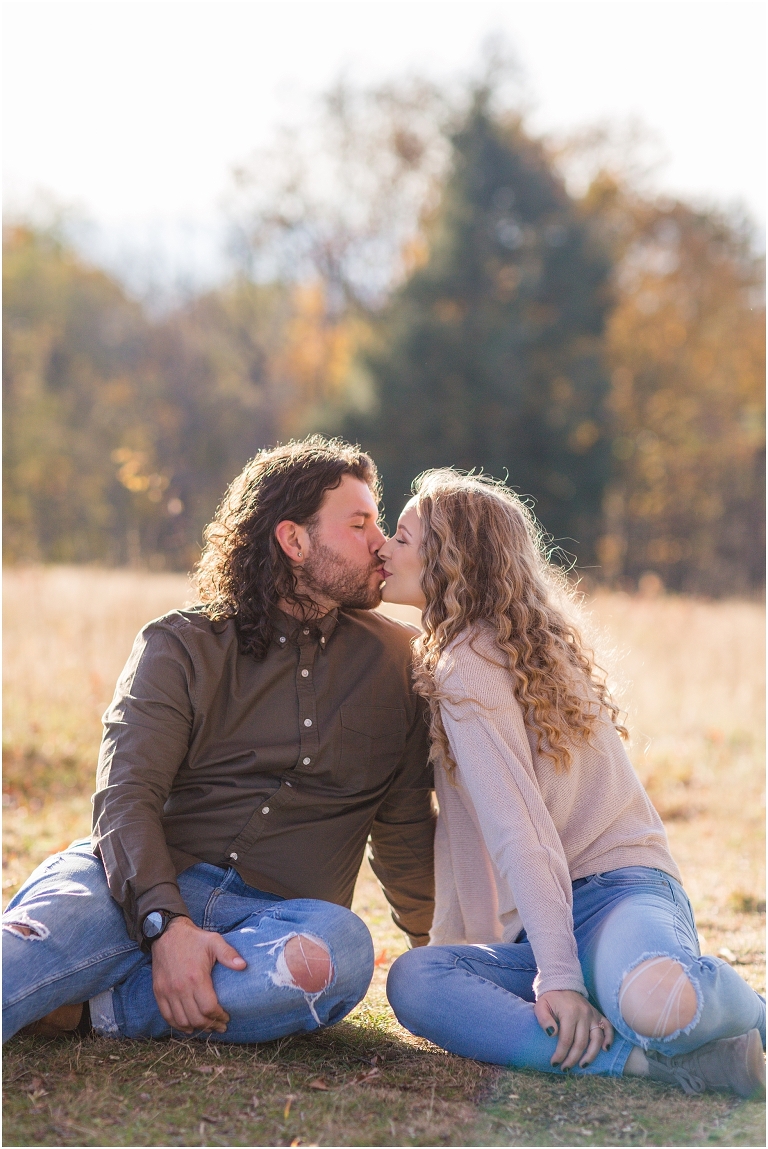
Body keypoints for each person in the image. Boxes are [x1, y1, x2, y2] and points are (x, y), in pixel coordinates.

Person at [3, 437, 435, 1045]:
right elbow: (126, 798)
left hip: (274, 923)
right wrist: (166, 924)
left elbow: (405, 828)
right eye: (359, 524)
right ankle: (103, 976)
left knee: (339, 951)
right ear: (294, 541)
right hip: (132, 890)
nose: (380, 543)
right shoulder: (181, 644)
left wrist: (440, 954)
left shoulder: (399, 661)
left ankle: (92, 1010)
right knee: (26, 951)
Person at [379, 469, 765, 1099]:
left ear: (450, 563)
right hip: (538, 932)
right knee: (419, 979)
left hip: (617, 895)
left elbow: (520, 831)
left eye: (401, 538)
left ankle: (751, 1021)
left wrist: (558, 978)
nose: (383, 548)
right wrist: (537, 964)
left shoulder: (469, 662)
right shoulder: (497, 645)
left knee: (656, 1006)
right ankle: (656, 1066)